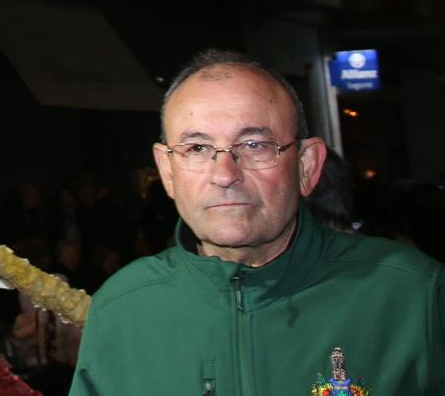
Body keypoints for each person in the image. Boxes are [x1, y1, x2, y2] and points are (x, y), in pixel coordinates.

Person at [69, 50, 442, 396]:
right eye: (196, 148)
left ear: (307, 166)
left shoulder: (412, 296)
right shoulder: (121, 309)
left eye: (254, 145)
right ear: (166, 170)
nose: (225, 174)